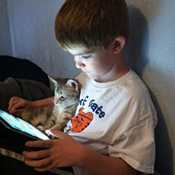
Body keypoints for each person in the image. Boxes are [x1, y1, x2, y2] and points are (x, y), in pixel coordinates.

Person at [8, 0, 157, 175]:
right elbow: (66, 98)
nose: (77, 64)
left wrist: (81, 157)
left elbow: (134, 170)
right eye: (74, 56)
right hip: (58, 143)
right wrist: (33, 105)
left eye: (84, 56)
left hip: (78, 164)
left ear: (116, 45)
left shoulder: (133, 99)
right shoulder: (88, 75)